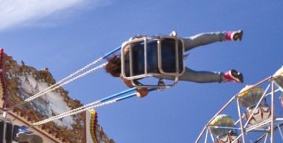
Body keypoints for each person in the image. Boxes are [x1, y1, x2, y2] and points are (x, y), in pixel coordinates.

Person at [104, 30, 245, 96]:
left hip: (167, 68)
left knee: (194, 77)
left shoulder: (126, 78)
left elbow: (144, 91)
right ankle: (227, 36)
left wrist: (139, 94)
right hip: (166, 46)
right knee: (194, 41)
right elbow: (141, 37)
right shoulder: (126, 48)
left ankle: (225, 76)